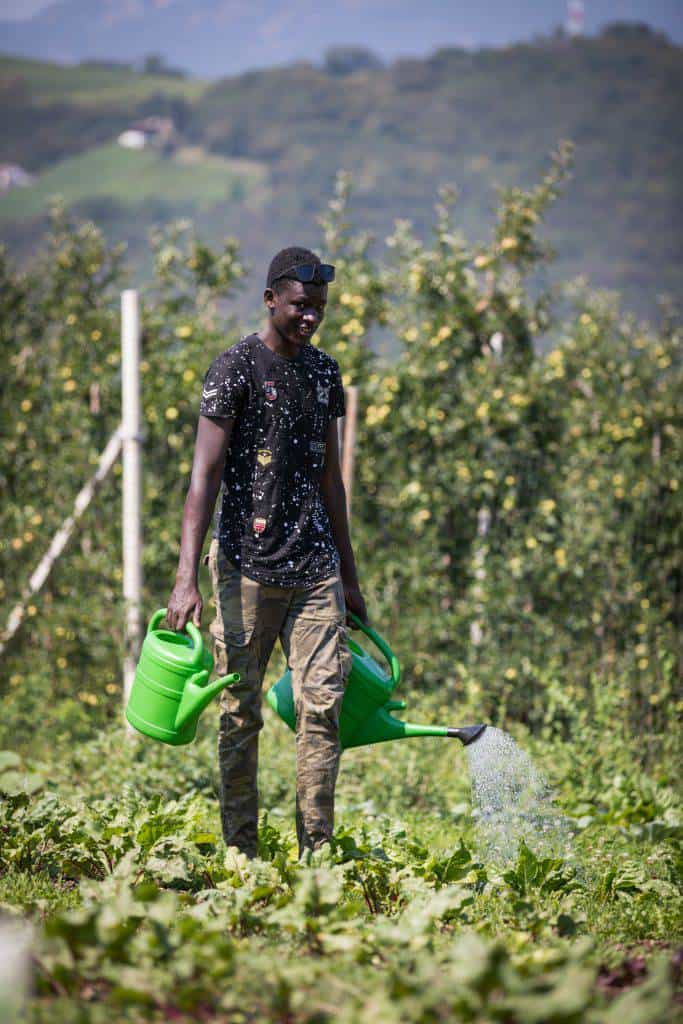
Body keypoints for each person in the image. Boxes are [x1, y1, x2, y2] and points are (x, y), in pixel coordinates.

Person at [166, 246, 368, 859]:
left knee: (322, 708)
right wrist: (185, 579)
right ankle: (242, 852)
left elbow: (332, 480)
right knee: (239, 712)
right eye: (301, 306)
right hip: (245, 570)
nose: (310, 318)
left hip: (315, 571)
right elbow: (203, 476)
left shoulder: (324, 373)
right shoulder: (234, 369)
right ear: (271, 299)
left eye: (320, 310)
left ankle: (318, 851)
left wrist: (351, 578)